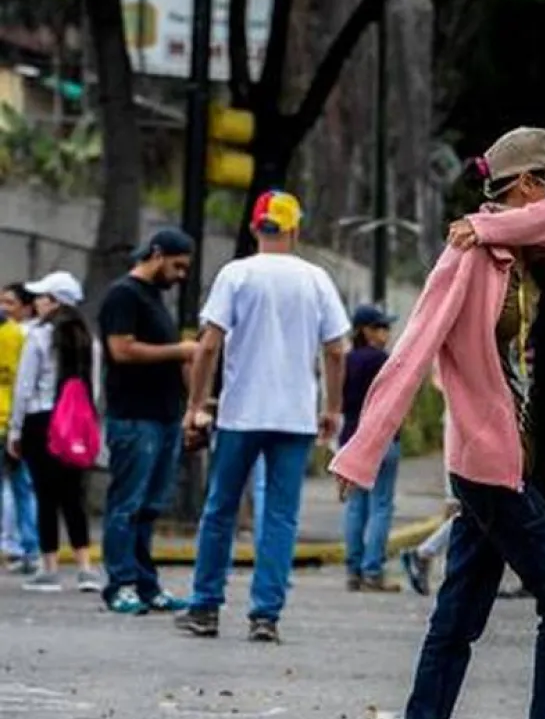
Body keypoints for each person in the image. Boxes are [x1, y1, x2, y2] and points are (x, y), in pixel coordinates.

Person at [331, 126, 545, 719]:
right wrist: (363, 447)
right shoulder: (465, 261)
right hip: (487, 465)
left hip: (525, 467)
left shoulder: (533, 252)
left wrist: (491, 226)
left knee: (458, 615)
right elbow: (413, 350)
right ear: (524, 183)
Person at [175, 191, 350, 643]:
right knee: (280, 516)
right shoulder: (316, 279)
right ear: (295, 229)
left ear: (255, 228)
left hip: (240, 414)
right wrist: (332, 408)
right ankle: (265, 615)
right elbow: (335, 349)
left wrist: (195, 405)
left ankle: (205, 607)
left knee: (220, 511)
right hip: (294, 416)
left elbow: (208, 345)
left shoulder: (236, 274)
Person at [97, 228, 198, 614]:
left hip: (164, 415)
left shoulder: (154, 298)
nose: (181, 275)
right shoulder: (123, 295)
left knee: (150, 506)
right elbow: (121, 350)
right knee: (127, 503)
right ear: (156, 254)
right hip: (134, 417)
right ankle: (120, 583)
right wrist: (180, 349)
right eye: (177, 265)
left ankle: (145, 582)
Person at [5, 271, 101, 593]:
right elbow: (94, 389)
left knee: (45, 495)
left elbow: (24, 387)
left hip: (40, 420)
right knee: (73, 495)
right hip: (74, 422)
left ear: (55, 301)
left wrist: (15, 431)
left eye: (42, 297)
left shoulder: (39, 336)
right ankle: (86, 567)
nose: (37, 302)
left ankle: (49, 568)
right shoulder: (90, 340)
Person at [341, 305, 401, 593]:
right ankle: (372, 570)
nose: (386, 333)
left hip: (351, 437)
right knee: (381, 505)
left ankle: (353, 570)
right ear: (366, 331)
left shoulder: (346, 359)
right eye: (381, 327)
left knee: (355, 505)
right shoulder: (383, 361)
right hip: (381, 438)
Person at [0, 282, 39, 575]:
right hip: (18, 418)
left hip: (9, 419)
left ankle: (14, 546)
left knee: (16, 487)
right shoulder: (27, 336)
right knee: (23, 488)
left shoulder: (15, 335)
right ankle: (29, 548)